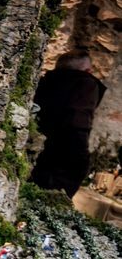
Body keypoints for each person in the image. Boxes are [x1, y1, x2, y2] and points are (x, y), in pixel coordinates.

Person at [31, 51, 106, 197]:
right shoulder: (86, 84)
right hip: (65, 156)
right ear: (88, 71)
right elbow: (78, 123)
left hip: (37, 148)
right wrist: (81, 161)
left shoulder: (46, 81)